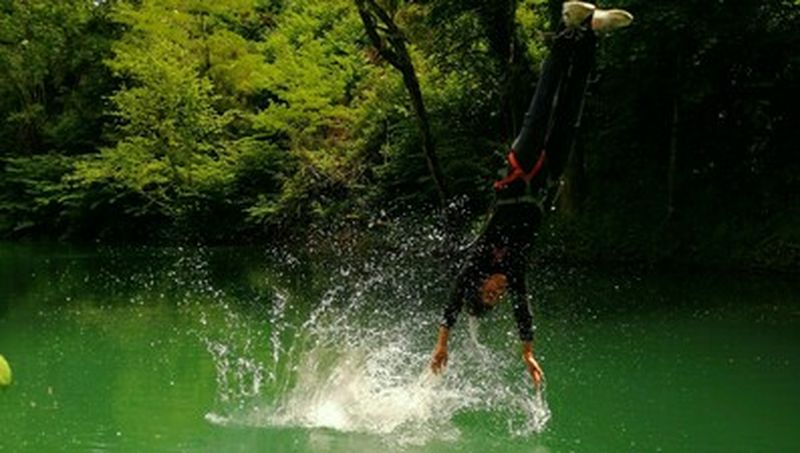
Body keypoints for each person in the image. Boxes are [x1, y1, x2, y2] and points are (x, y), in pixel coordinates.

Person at [429, 1, 633, 391]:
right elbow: (523, 310)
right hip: (545, 182)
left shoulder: (479, 258)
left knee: (542, 109)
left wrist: (442, 343)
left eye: (489, 293)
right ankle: (591, 33)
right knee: (570, 112)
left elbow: (454, 298)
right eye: (497, 298)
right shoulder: (515, 270)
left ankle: (567, 26)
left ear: (479, 283)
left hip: (517, 174)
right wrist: (527, 353)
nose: (498, 292)